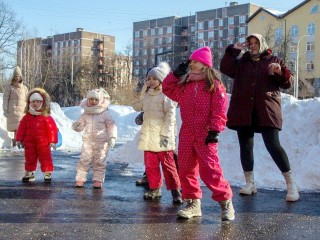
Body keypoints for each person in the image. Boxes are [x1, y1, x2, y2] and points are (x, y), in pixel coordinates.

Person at [220, 33, 299, 202]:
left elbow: (287, 83)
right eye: (250, 43)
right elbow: (226, 68)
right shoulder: (242, 62)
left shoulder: (274, 60)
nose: (253, 46)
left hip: (266, 109)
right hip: (244, 109)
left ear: (262, 43)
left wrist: (279, 72)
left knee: (273, 145)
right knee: (246, 146)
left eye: (256, 43)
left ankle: (291, 184)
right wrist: (233, 51)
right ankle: (250, 183)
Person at [162, 46, 235, 221]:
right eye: (191, 61)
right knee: (186, 168)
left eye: (195, 61)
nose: (192, 64)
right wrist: (175, 74)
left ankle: (226, 203)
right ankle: (193, 204)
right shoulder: (185, 85)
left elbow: (219, 110)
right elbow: (167, 88)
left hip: (206, 132)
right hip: (187, 131)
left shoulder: (214, 85)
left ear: (204, 64)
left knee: (210, 170)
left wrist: (215, 130)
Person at [135, 62, 182, 204]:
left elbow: (170, 115)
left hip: (163, 136)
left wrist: (166, 134)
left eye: (154, 78)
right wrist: (142, 95)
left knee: (168, 166)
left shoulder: (166, 95)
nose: (150, 81)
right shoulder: (147, 95)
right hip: (149, 136)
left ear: (161, 80)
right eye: (148, 78)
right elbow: (137, 107)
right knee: (151, 166)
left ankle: (176, 190)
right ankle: (155, 188)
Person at [72, 88, 117, 189]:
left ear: (100, 101)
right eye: (91, 99)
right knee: (84, 160)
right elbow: (81, 125)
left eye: (96, 100)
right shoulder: (85, 114)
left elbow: (111, 125)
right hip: (88, 141)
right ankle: (80, 178)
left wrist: (112, 137)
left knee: (99, 161)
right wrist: (77, 126)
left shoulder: (104, 113)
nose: (93, 102)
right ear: (87, 100)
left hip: (101, 143)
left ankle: (98, 180)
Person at [15, 88, 58, 183]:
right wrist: (18, 139)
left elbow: (52, 129)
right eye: (33, 101)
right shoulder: (27, 117)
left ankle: (47, 173)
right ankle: (29, 173)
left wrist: (52, 141)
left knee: (45, 157)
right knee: (29, 157)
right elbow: (21, 129)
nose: (35, 104)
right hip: (29, 142)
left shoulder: (46, 117)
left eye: (38, 102)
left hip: (43, 143)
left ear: (42, 103)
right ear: (30, 103)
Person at [2, 66, 28, 147]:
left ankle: (20, 143)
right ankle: (16, 143)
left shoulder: (25, 88)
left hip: (22, 111)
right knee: (16, 128)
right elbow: (5, 98)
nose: (17, 78)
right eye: (16, 76)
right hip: (13, 110)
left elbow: (27, 100)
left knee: (22, 128)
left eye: (19, 76)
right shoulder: (9, 87)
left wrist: (28, 110)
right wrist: (5, 110)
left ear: (21, 77)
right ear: (13, 77)